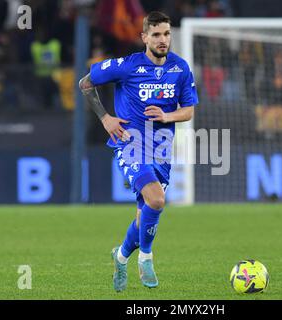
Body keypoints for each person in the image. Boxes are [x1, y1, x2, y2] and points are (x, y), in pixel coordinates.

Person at [78, 11, 198, 291]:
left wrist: (168, 117)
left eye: (166, 34)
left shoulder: (180, 69)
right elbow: (85, 83)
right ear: (144, 37)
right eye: (156, 34)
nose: (162, 39)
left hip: (162, 152)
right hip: (131, 146)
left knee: (144, 215)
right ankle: (145, 258)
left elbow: (189, 111)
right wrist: (106, 118)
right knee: (156, 201)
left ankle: (120, 256)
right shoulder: (128, 66)